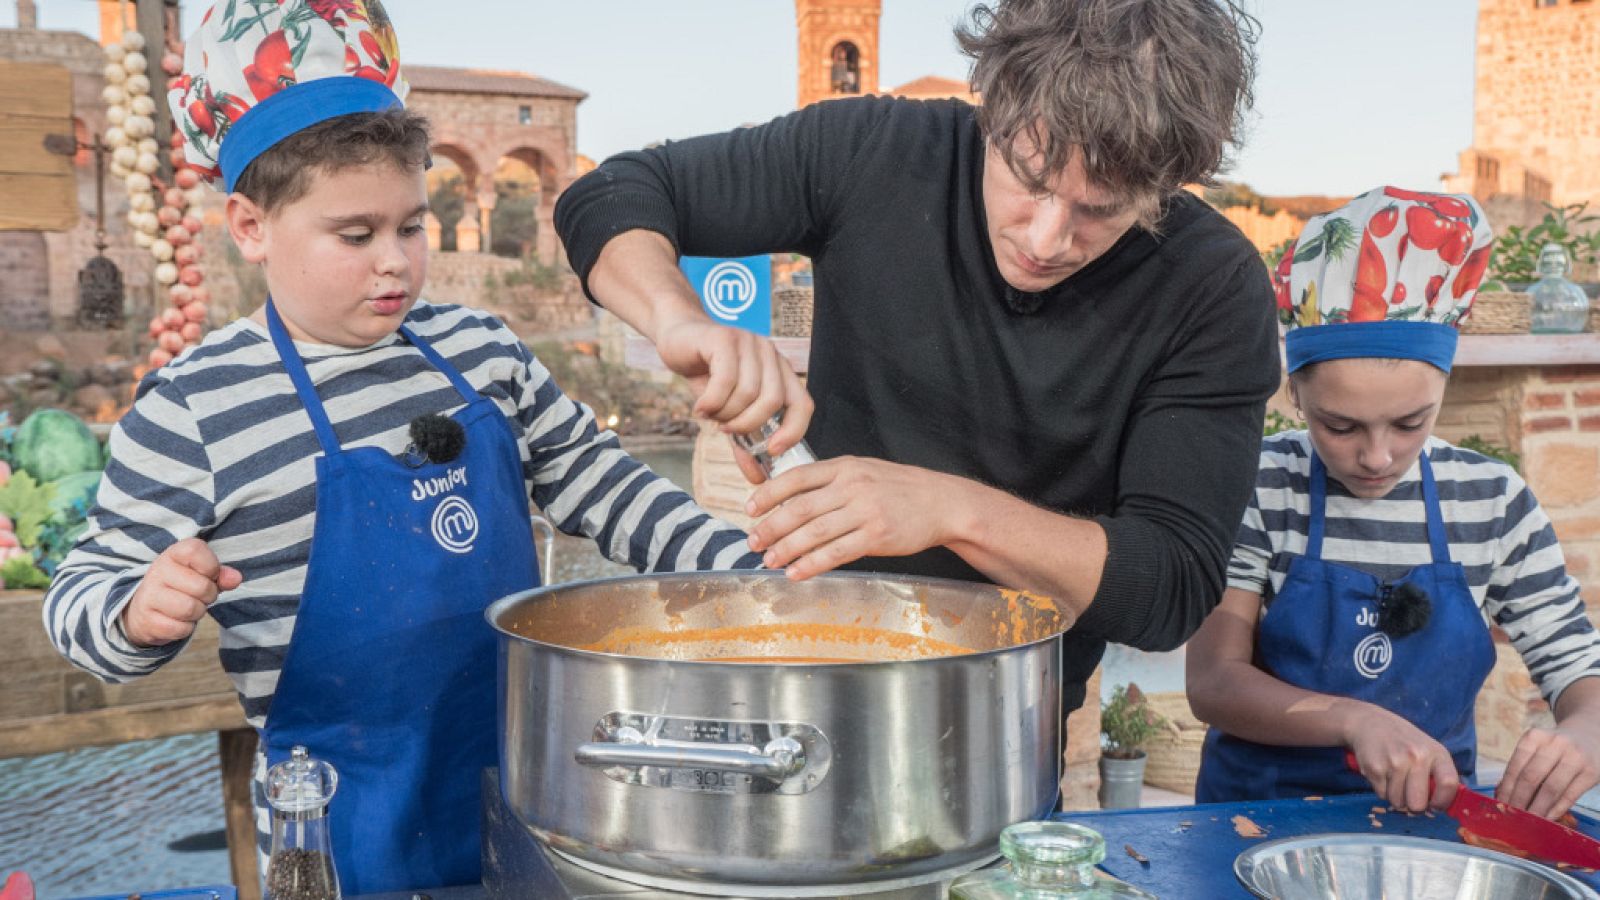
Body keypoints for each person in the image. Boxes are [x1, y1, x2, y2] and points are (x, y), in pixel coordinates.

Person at [41, 2, 759, 893]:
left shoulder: (480, 349)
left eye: (411, 226)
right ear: (250, 227)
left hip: (527, 792)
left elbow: (603, 484)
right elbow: (79, 598)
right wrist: (135, 614)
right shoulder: (192, 407)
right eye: (356, 235)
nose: (396, 263)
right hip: (339, 835)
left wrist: (749, 572)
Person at [554, 0, 1280, 723]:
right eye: (1029, 178)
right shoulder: (878, 149)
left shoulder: (1212, 286)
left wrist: (947, 510)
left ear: (1170, 183)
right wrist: (681, 320)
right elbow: (613, 195)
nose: (1047, 239)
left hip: (1009, 728)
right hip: (806, 681)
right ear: (993, 106)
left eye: (1103, 208)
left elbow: (1169, 590)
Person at [1187, 187, 1600, 820]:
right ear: (1294, 392)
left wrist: (1582, 737)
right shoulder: (1264, 484)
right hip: (1251, 821)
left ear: (1444, 385)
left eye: (1410, 423)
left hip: (1425, 828)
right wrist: (1353, 720)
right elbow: (1214, 681)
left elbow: (1578, 671)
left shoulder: (1493, 503)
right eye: (1340, 427)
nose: (1376, 457)